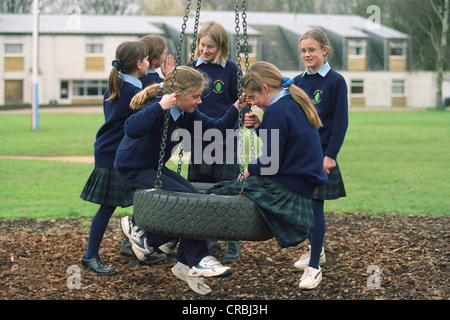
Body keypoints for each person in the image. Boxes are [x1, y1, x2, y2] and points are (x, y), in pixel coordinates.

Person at [114, 65, 242, 295]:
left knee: (195, 199)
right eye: (195, 96)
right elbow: (131, 128)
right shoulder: (158, 107)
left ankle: (154, 242)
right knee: (190, 202)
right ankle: (197, 258)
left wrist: (236, 107)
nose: (199, 101)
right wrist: (160, 107)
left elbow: (216, 128)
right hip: (133, 168)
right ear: (176, 95)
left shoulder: (185, 113)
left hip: (151, 167)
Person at [207, 61, 328, 289]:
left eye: (252, 97)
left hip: (290, 182)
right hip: (306, 176)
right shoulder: (292, 102)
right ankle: (314, 263)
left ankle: (192, 249)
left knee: (224, 191)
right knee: (234, 185)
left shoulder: (277, 110)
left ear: (264, 87)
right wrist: (260, 128)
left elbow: (271, 163)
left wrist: (249, 169)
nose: (252, 103)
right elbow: (284, 143)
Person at [80, 41, 149, 275]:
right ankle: (90, 256)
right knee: (108, 207)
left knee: (138, 199)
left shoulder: (116, 85)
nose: (149, 63)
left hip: (109, 150)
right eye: (148, 59)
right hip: (113, 154)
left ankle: (138, 246)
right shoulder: (132, 93)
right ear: (139, 64)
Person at [293, 28, 348, 289]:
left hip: (321, 156)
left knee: (315, 208)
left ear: (324, 50)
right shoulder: (296, 82)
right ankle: (318, 249)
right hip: (300, 156)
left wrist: (330, 155)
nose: (307, 55)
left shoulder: (336, 81)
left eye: (312, 50)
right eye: (303, 50)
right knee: (302, 208)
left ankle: (314, 267)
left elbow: (340, 122)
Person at [189, 21, 243, 262]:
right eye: (202, 45)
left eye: (211, 46)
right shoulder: (192, 68)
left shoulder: (231, 69)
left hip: (225, 141)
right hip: (199, 139)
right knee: (202, 189)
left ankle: (233, 241)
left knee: (229, 190)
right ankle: (208, 240)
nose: (206, 50)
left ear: (221, 46)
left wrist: (230, 134)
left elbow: (241, 104)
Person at [119, 34, 175, 261]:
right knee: (152, 197)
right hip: (137, 152)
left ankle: (141, 240)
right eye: (164, 54)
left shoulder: (144, 79)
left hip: (136, 151)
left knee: (144, 197)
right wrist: (169, 79)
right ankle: (141, 238)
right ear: (154, 60)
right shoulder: (150, 84)